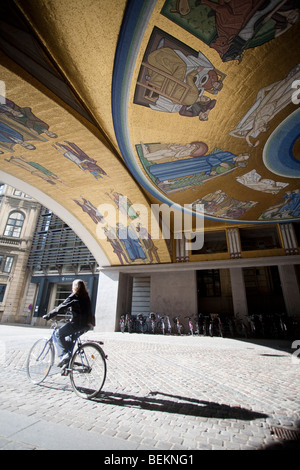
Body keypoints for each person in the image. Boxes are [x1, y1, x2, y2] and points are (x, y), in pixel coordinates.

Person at [43, 279, 95, 367]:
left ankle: (64, 356)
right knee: (69, 339)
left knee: (58, 334)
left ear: (75, 287)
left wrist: (48, 316)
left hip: (76, 324)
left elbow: (61, 306)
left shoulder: (74, 296)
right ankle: (67, 364)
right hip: (86, 325)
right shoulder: (86, 296)